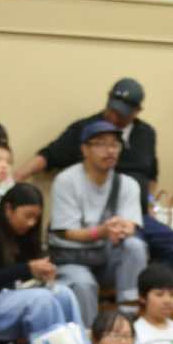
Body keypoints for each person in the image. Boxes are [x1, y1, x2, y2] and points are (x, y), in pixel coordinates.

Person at [28, 77, 173, 270]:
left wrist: (149, 204)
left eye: (121, 113)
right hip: (95, 217)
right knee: (133, 246)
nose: (113, 116)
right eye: (111, 109)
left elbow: (151, 175)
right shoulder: (87, 129)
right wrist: (16, 177)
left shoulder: (146, 134)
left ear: (137, 111)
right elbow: (49, 156)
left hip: (137, 215)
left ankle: (149, 282)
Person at [0, 184, 90, 334]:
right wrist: (27, 269)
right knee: (42, 300)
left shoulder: (25, 233)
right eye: (27, 216)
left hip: (9, 293)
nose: (31, 223)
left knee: (63, 294)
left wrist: (41, 274)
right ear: (8, 209)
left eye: (36, 218)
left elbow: (24, 274)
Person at [50, 120, 149, 312]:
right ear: (85, 149)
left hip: (107, 257)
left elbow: (131, 225)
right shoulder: (66, 181)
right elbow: (66, 232)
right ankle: (88, 332)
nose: (110, 150)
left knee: (135, 246)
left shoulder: (128, 184)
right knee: (84, 285)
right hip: (73, 258)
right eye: (101, 144)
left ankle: (129, 313)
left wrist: (123, 229)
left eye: (114, 144)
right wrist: (102, 231)